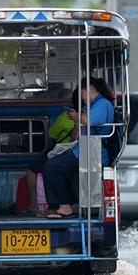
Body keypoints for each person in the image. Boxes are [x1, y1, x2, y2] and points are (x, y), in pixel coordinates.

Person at [43, 78, 115, 219]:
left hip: (94, 151)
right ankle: (73, 204)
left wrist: (77, 116)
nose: (81, 97)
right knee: (54, 163)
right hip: (86, 148)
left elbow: (89, 121)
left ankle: (65, 206)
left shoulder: (102, 104)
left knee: (52, 167)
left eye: (81, 92)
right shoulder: (94, 105)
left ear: (88, 89)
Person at [22, 88, 79, 216]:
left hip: (63, 150)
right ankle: (72, 204)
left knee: (39, 168)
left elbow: (52, 134)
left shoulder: (65, 116)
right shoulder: (87, 114)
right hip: (78, 151)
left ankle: (36, 205)